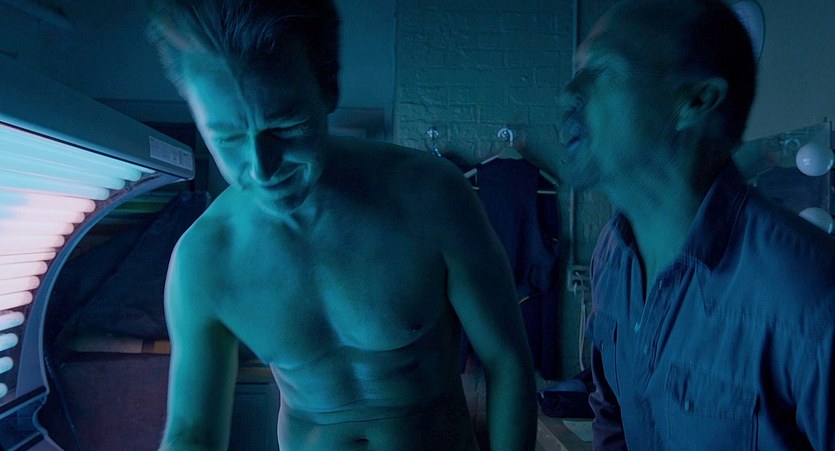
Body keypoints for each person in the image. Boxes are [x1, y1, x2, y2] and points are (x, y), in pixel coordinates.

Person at [145, 1, 537, 450]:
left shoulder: (432, 197)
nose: (262, 168)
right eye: (228, 137)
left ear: (328, 89)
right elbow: (191, 432)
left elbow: (507, 361)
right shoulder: (203, 260)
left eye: (283, 126)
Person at [520, 0, 835, 449]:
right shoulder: (613, 256)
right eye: (578, 70)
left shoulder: (812, 300)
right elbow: (612, 416)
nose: (567, 93)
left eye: (603, 70)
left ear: (695, 101)